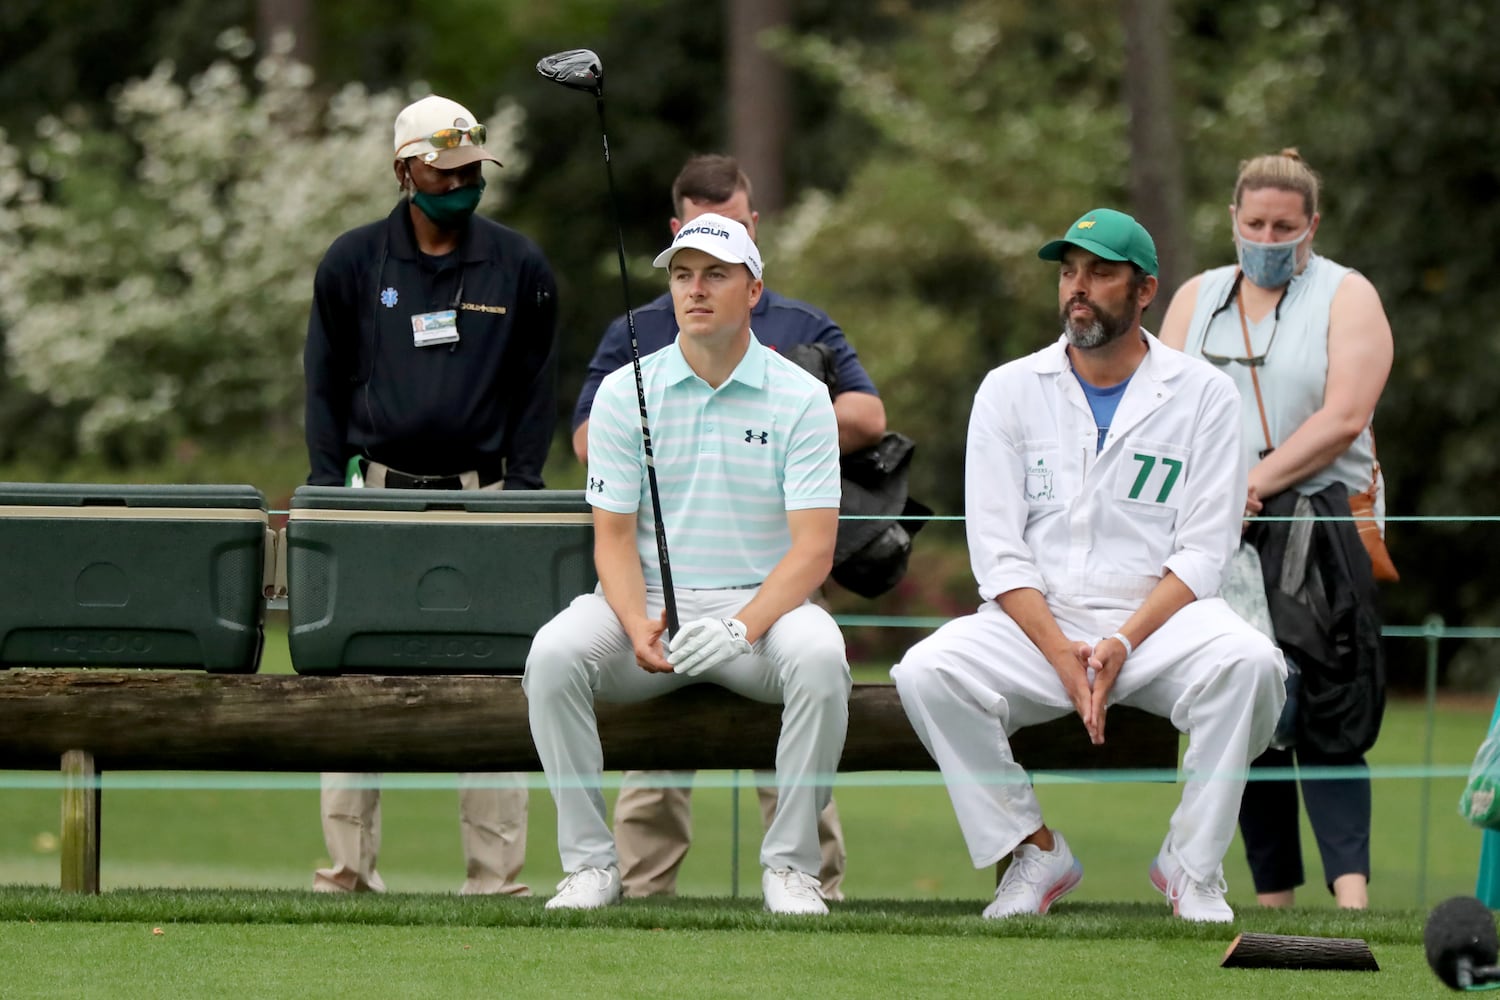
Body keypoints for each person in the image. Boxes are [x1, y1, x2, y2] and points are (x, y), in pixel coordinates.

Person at [891, 208, 1286, 923]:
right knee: (927, 671)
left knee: (1254, 665)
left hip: (1163, 623)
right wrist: (1063, 654)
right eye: (1070, 271)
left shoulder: (1205, 396)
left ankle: (1192, 867)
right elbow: (997, 552)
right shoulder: (1009, 389)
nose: (1079, 287)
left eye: (1101, 272)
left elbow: (1204, 552)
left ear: (1145, 292)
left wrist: (1122, 642)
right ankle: (1033, 850)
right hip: (1041, 625)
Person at [571, 154, 881, 900]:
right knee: (563, 665)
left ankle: (797, 870)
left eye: (717, 270)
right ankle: (605, 872)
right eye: (684, 272)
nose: (697, 287)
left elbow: (824, 521)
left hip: (768, 600)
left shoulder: (802, 366)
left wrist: (743, 626)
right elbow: (603, 502)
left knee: (817, 660)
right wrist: (634, 617)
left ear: (753, 281)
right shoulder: (630, 361)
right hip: (656, 600)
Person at [302, 93, 560, 895]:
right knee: (354, 674)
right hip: (376, 497)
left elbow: (534, 393)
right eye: (446, 169)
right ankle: (350, 871)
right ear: (405, 170)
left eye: (472, 169)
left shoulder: (520, 267)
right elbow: (324, 382)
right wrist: (324, 492)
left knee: (491, 679)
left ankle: (495, 878)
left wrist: (521, 494)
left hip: (485, 498)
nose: (462, 183)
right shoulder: (353, 262)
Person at [1159, 149, 1394, 910]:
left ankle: (1352, 896)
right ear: (1232, 221)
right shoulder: (1196, 298)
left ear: (1312, 226)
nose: (1268, 236)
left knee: (1330, 703)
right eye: (1254, 223)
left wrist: (1253, 483)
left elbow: (1345, 415)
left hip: (1318, 521)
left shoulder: (1348, 295)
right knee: (1247, 703)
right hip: (1216, 530)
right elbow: (1160, 407)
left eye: (1284, 226)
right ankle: (1272, 897)